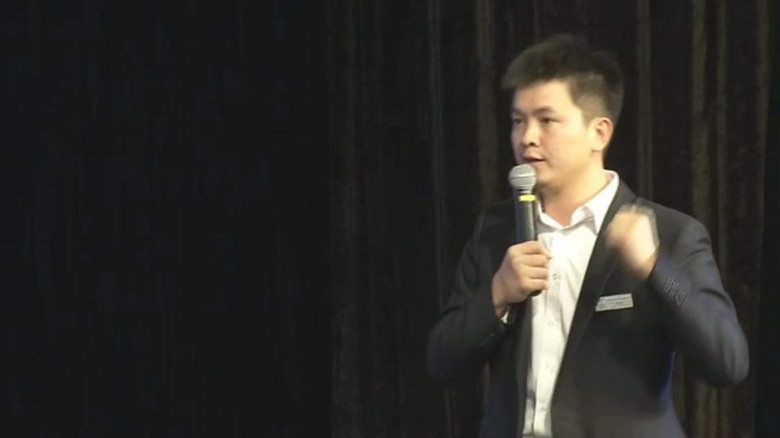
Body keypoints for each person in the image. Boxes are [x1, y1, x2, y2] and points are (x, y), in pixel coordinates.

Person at [426, 34, 749, 438]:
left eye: (546, 120)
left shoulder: (671, 233)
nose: (527, 137)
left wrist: (656, 270)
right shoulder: (495, 231)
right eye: (518, 121)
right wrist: (497, 294)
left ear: (599, 133)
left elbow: (727, 363)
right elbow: (443, 363)